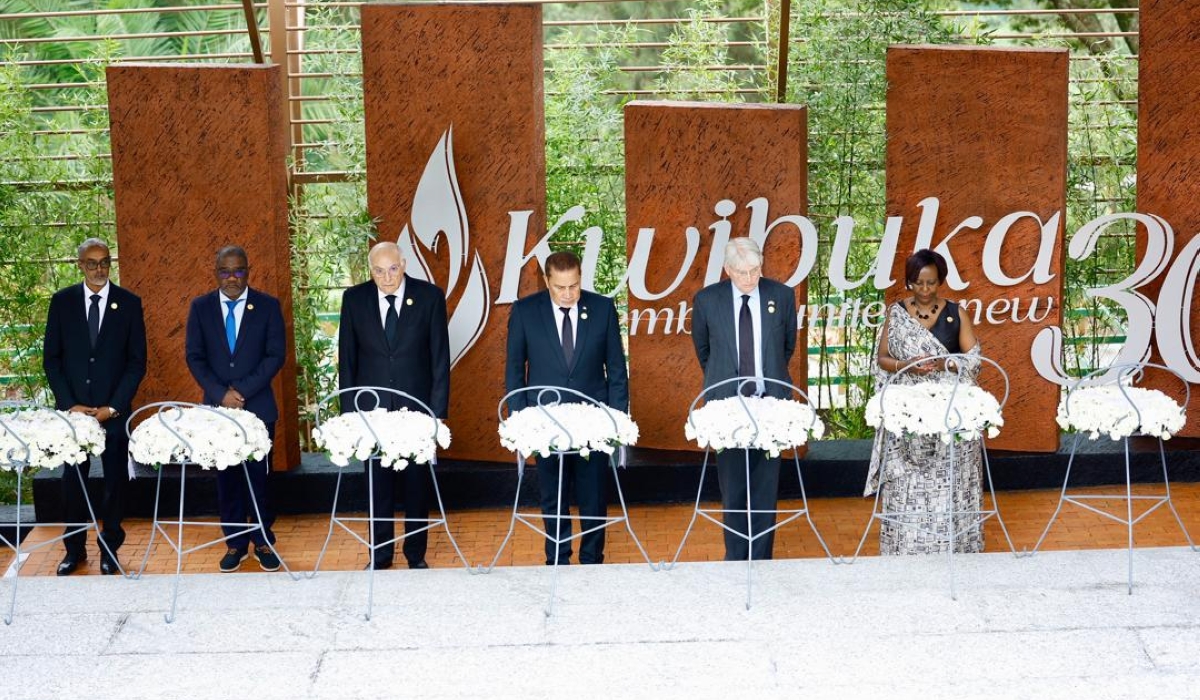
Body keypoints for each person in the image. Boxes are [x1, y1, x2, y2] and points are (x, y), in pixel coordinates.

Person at [505, 250, 628, 565]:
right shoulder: (525, 312)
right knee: (552, 497)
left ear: (580, 278)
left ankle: (591, 560)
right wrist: (520, 422)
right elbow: (515, 371)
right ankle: (557, 560)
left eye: (573, 286)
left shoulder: (602, 309)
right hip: (545, 424)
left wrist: (616, 421)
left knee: (593, 497)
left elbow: (616, 371)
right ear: (547, 281)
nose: (568, 294)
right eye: (560, 287)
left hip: (594, 425)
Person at [338, 241, 449, 570]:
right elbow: (348, 361)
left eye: (393, 269)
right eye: (379, 271)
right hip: (372, 413)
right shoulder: (354, 299)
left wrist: (437, 415)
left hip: (416, 410)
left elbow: (440, 360)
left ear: (404, 264)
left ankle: (416, 556)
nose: (387, 277)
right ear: (370, 271)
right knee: (378, 488)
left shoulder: (429, 297)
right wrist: (350, 416)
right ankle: (381, 555)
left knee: (417, 487)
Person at [865, 248, 983, 554]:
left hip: (947, 410)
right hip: (907, 408)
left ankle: (951, 544)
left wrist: (945, 363)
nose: (925, 290)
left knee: (947, 481)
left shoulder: (957, 313)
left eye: (931, 283)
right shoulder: (896, 314)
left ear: (941, 281)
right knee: (909, 483)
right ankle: (904, 545)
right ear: (909, 283)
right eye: (918, 283)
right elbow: (882, 359)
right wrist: (907, 366)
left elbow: (974, 361)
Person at [43, 238, 147, 576]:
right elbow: (52, 360)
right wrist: (69, 404)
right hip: (74, 415)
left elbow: (136, 363)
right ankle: (74, 550)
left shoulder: (129, 304)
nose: (99, 269)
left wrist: (113, 407)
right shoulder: (62, 303)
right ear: (79, 265)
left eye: (104, 262)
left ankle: (110, 549)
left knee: (115, 483)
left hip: (111, 414)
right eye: (92, 263)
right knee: (73, 482)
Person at [690, 238, 797, 561]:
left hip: (771, 406)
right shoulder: (708, 301)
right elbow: (704, 351)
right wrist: (723, 382)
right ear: (727, 270)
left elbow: (787, 347)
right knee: (733, 490)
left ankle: (762, 561)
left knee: (765, 491)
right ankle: (736, 561)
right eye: (742, 272)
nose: (750, 278)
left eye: (755, 270)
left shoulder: (781, 295)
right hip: (728, 410)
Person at [185, 245, 286, 572]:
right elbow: (194, 357)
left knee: (259, 479)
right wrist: (219, 393)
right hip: (217, 412)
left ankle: (262, 540)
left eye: (238, 271)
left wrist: (240, 390)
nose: (232, 278)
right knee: (226, 480)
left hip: (257, 407)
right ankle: (235, 543)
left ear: (248, 270)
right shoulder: (200, 308)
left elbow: (275, 355)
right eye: (225, 271)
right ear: (215, 272)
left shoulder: (268, 306)